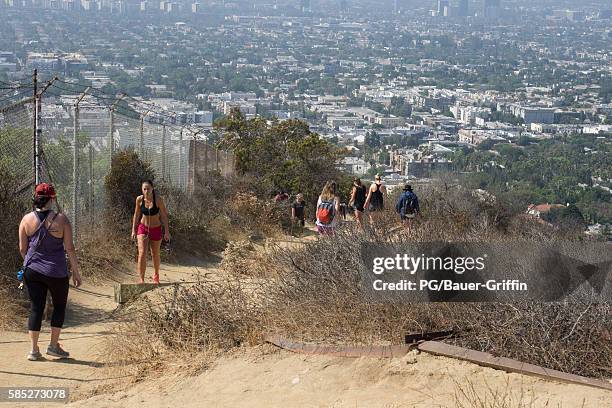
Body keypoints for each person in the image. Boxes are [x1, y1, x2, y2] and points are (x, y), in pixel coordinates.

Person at [19, 183, 82, 361]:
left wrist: (32, 262)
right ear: (52, 198)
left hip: (32, 270)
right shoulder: (62, 220)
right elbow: (70, 248)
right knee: (59, 307)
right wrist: (76, 272)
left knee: (36, 308)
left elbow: (23, 249)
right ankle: (54, 346)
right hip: (57, 271)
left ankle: (33, 350)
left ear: (36, 198)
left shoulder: (26, 220)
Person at [131, 180, 170, 285]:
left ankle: (156, 275)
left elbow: (164, 216)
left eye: (148, 188)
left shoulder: (158, 200)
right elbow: (136, 215)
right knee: (142, 253)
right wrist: (133, 230)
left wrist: (167, 231)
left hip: (156, 228)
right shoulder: (139, 200)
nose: (146, 191)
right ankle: (141, 278)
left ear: (152, 188)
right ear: (142, 189)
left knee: (155, 254)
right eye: (144, 189)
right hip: (143, 228)